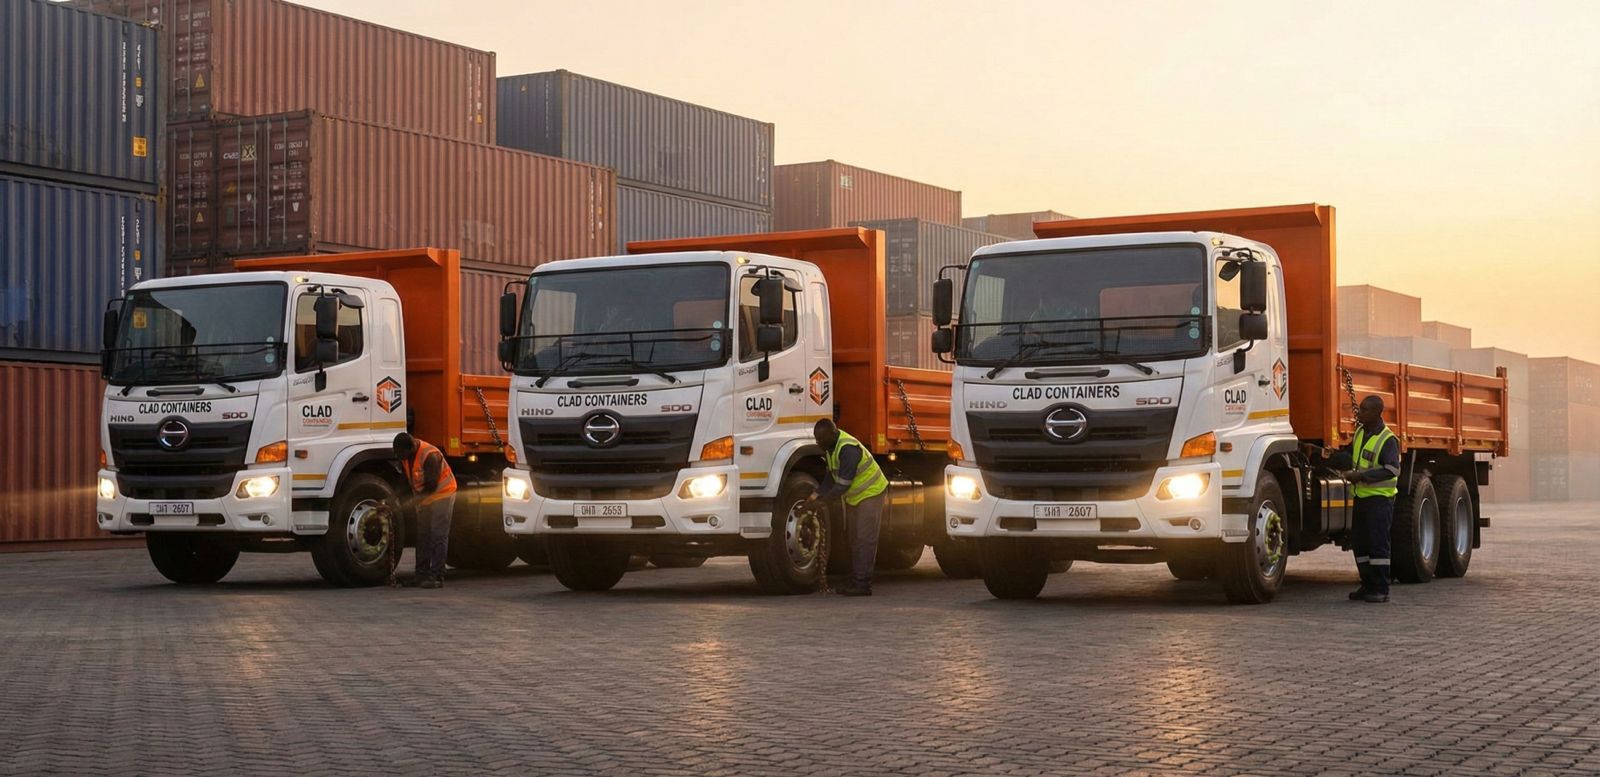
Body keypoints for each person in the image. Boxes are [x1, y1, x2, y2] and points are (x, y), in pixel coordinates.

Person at [1303, 395, 1401, 603]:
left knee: (1378, 545)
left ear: (1376, 413)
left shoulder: (1387, 439)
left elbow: (1392, 470)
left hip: (1380, 501)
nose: (1360, 413)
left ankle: (1381, 589)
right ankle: (1367, 585)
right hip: (1361, 499)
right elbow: (1349, 458)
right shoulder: (1360, 433)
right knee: (1360, 543)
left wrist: (1362, 476)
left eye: (1364, 410)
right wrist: (1322, 457)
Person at [808, 419, 889, 597]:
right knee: (853, 539)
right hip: (856, 497)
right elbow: (831, 477)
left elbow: (843, 484)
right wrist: (816, 494)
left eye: (820, 439)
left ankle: (863, 584)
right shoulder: (831, 448)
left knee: (864, 539)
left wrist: (823, 501)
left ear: (832, 434)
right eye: (816, 439)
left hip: (871, 492)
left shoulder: (847, 449)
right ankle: (856, 578)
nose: (818, 443)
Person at [394, 432, 457, 589]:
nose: (401, 458)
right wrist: (392, 499)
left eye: (402, 454)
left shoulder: (430, 456)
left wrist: (413, 502)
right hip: (425, 497)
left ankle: (437, 576)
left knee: (437, 535)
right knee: (422, 536)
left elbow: (431, 485)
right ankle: (421, 575)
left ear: (412, 447)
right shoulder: (407, 457)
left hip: (443, 493)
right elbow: (404, 483)